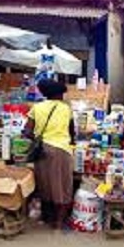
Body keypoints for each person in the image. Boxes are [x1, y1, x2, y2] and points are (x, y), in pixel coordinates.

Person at [24, 79, 75, 230]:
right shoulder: (66, 109)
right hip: (62, 150)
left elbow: (27, 130)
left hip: (42, 150)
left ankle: (47, 218)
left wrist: (37, 138)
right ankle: (59, 222)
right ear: (59, 94)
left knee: (45, 184)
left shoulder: (37, 107)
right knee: (63, 186)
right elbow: (72, 133)